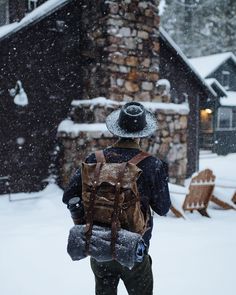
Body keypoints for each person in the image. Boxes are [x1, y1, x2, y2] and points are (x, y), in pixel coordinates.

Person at [63, 101, 171, 295]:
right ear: (143, 133)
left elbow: (69, 196)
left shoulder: (93, 160)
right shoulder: (153, 165)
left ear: (117, 130)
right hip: (134, 249)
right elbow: (163, 208)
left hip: (99, 247)